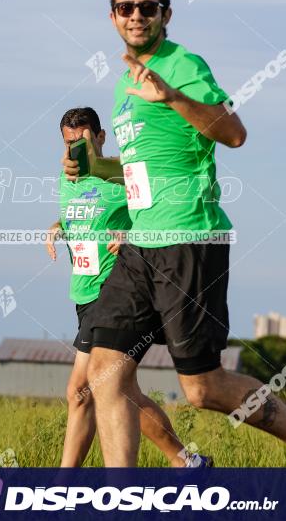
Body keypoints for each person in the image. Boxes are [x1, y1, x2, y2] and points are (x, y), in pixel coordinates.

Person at [63, 0, 286, 467]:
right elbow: (139, 166)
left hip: (189, 239)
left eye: (147, 7)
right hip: (139, 245)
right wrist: (92, 166)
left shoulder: (183, 65)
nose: (136, 16)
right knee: (104, 371)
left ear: (165, 14)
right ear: (112, 17)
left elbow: (233, 132)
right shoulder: (122, 86)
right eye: (126, 8)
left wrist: (172, 95)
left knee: (202, 388)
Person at [47, 107, 208, 467]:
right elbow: (83, 210)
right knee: (120, 391)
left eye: (83, 140)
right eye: (68, 143)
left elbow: (158, 213)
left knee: (80, 391)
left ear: (102, 137)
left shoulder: (121, 175)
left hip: (116, 290)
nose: (75, 150)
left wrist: (133, 235)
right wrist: (58, 224)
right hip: (83, 292)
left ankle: (60, 488)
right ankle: (188, 464)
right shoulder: (67, 177)